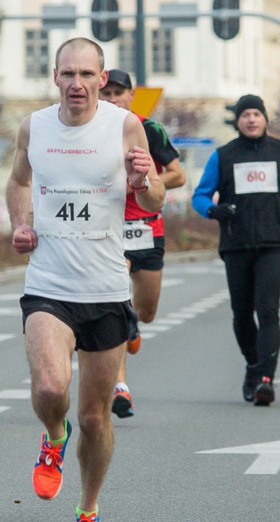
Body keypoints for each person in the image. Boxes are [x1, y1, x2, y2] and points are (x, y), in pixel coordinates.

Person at [5, 38, 164, 522]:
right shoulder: (35, 126)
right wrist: (21, 224)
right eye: (67, 73)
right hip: (49, 283)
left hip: (106, 289)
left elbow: (154, 197)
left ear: (102, 79)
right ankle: (53, 435)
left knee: (96, 419)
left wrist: (145, 182)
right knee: (52, 386)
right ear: (55, 77)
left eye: (87, 74)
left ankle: (89, 514)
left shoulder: (124, 126)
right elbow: (18, 180)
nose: (77, 83)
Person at [191, 94, 280, 406]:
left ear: (265, 119)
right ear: (238, 121)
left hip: (273, 244)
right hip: (236, 245)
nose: (251, 120)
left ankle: (265, 378)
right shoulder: (223, 156)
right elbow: (200, 195)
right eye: (245, 114)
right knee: (242, 314)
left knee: (268, 309)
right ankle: (252, 364)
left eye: (256, 114)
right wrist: (213, 211)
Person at [99, 68, 186, 419]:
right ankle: (120, 388)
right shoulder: (91, 131)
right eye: (106, 94)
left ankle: (133, 322)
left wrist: (144, 181)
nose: (112, 99)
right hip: (111, 229)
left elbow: (179, 175)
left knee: (145, 311)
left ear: (132, 96)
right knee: (115, 305)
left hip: (148, 225)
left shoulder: (149, 130)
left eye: (119, 93)